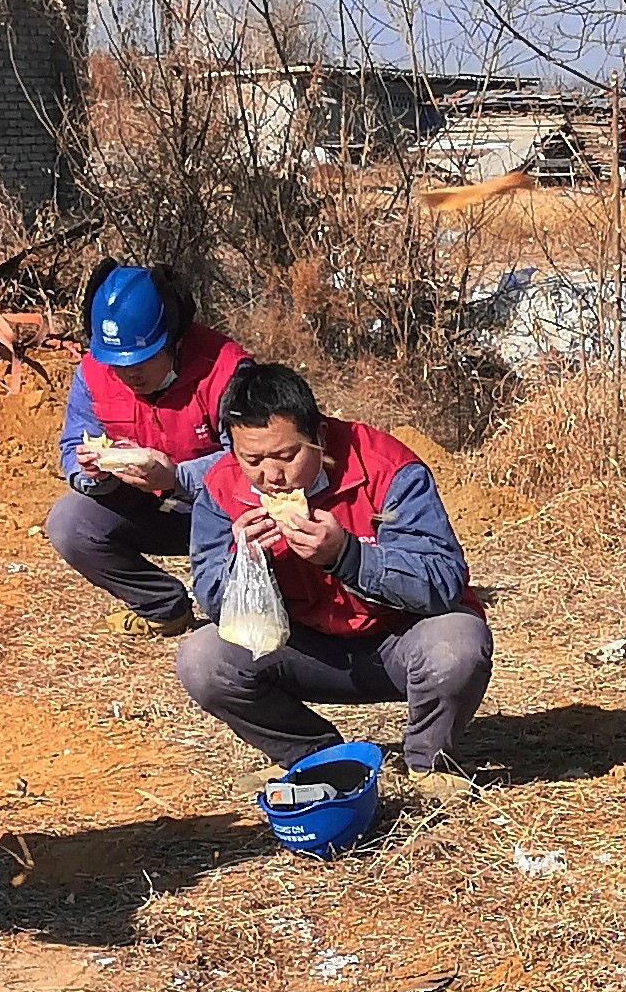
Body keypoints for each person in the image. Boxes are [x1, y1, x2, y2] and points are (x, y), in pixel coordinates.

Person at [175, 361, 493, 784]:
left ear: (319, 437)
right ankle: (314, 756)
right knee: (203, 658)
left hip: (397, 642)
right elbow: (215, 603)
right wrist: (247, 564)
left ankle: (429, 764)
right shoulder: (221, 488)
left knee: (459, 642)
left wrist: (348, 556)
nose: (271, 476)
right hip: (302, 649)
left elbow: (443, 580)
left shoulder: (387, 468)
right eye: (252, 459)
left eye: (287, 455)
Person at [46, 262, 251, 638]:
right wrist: (93, 476)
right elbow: (73, 443)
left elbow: (255, 464)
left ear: (174, 338)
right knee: (70, 521)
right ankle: (163, 608)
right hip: (148, 508)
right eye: (116, 363)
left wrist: (176, 476)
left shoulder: (227, 372)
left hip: (223, 516)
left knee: (234, 618)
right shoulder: (93, 371)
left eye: (142, 361)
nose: (128, 374)